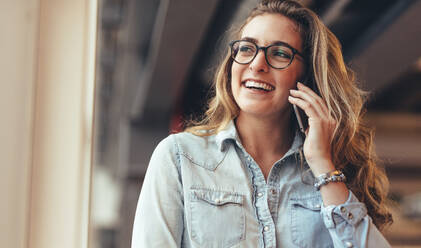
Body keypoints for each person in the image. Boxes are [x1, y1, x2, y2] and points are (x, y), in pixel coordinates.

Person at [131, 0, 393, 247]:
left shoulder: (335, 169)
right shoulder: (179, 158)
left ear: (307, 76)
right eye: (246, 48)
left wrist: (324, 167)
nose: (257, 64)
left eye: (279, 53)